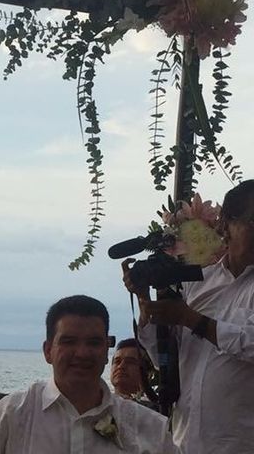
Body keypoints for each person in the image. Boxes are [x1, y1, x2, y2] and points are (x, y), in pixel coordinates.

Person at [122, 179, 254, 454]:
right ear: (225, 226)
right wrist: (146, 303)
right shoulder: (197, 283)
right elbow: (165, 361)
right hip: (184, 442)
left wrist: (190, 318)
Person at [0, 295, 177, 454]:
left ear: (106, 352)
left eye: (93, 343)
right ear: (48, 351)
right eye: (69, 342)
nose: (82, 353)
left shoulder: (149, 427)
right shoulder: (11, 415)